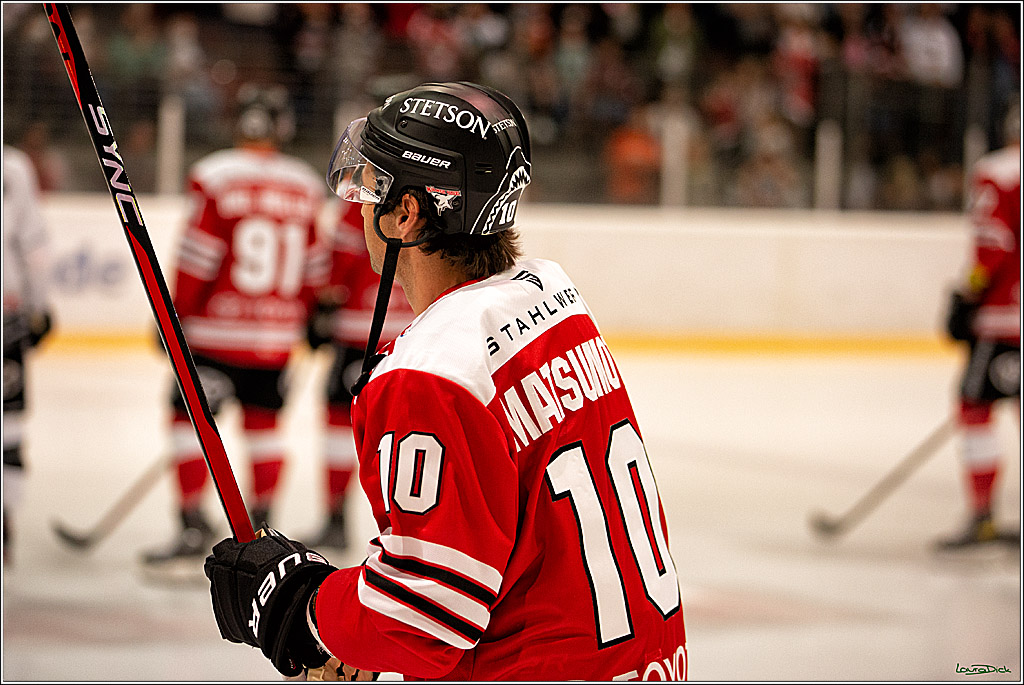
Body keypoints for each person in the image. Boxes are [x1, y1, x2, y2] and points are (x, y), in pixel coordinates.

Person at [205, 82, 687, 681]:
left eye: (371, 186)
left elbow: (422, 618)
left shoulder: (431, 374)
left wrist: (302, 605)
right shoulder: (553, 298)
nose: (357, 204)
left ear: (406, 213)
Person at [142, 85, 329, 572]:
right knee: (264, 427)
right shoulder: (305, 184)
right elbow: (314, 266)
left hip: (212, 336)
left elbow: (199, 256)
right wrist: (307, 315)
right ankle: (263, 532)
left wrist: (173, 316)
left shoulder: (215, 175)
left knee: (189, 424)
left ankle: (189, 524)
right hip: (273, 338)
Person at [305, 200, 415, 552]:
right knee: (410, 431)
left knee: (341, 422)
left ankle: (336, 520)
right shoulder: (438, 196)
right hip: (417, 331)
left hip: (360, 334)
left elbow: (343, 257)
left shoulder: (362, 201)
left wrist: (322, 309)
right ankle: (411, 529)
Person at [937, 105, 1020, 550]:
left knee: (974, 409)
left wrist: (970, 294)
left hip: (1006, 323)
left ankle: (983, 514)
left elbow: (993, 245)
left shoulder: (999, 171)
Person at [3, 144, 56, 566]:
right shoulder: (13, 166)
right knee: (7, 428)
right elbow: (33, 245)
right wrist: (40, 307)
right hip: (6, 315)